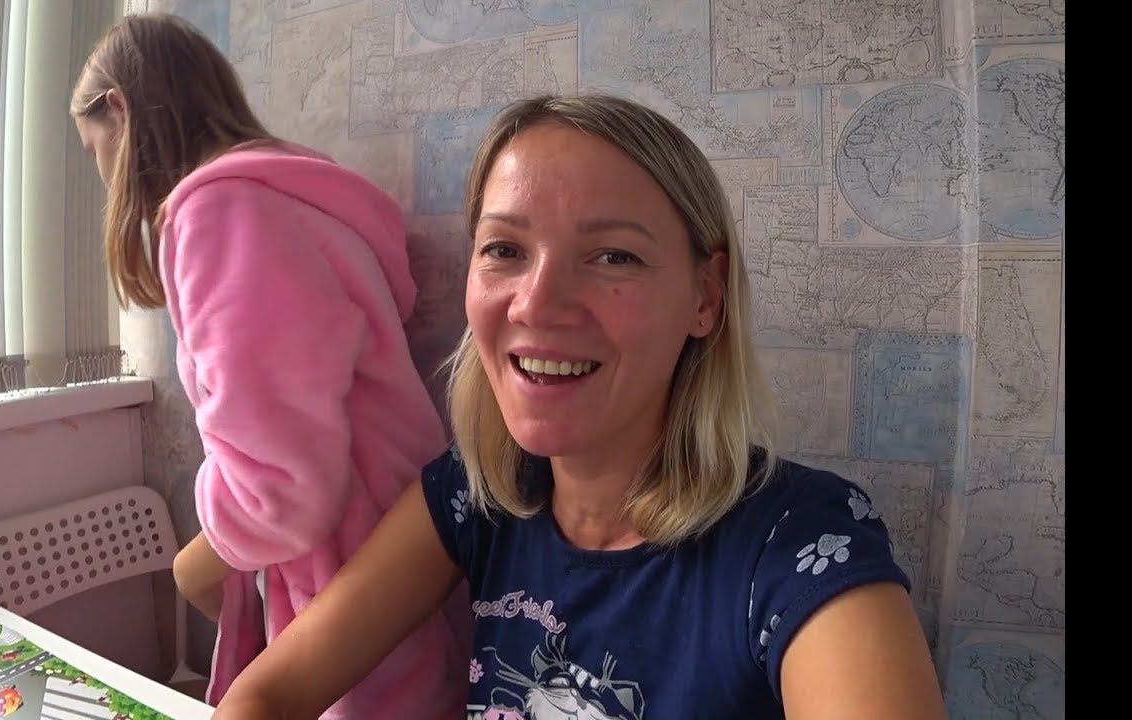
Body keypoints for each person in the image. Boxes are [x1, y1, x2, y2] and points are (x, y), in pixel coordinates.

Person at [211, 93, 949, 720]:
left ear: (705, 296)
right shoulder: (476, 498)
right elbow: (266, 696)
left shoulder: (801, 544)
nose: (536, 304)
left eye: (613, 256)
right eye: (504, 249)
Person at [68, 13, 466, 717]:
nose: (103, 175)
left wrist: (201, 554)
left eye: (94, 147)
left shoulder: (221, 214)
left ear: (120, 111)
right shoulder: (297, 196)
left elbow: (281, 488)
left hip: (349, 569)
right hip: (397, 539)